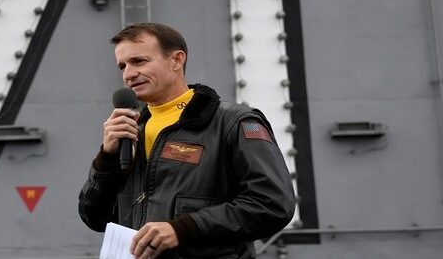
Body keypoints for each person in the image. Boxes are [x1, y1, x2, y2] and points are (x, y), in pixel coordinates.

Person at [78, 23, 295, 259]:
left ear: (176, 60)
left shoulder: (232, 122)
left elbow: (272, 204)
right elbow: (94, 218)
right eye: (122, 66)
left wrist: (183, 229)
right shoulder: (129, 132)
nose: (128, 74)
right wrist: (107, 159)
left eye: (139, 61)